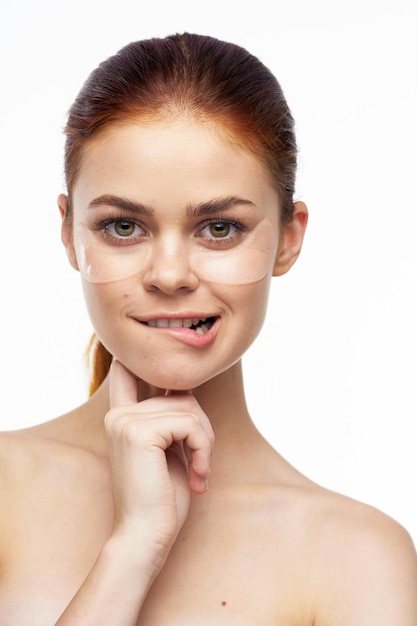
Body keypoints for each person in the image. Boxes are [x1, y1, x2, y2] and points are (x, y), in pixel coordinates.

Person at [0, 32, 416, 625]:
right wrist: (133, 549)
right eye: (123, 226)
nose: (169, 275)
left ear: (288, 238)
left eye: (219, 229)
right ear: (69, 233)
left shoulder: (359, 556)